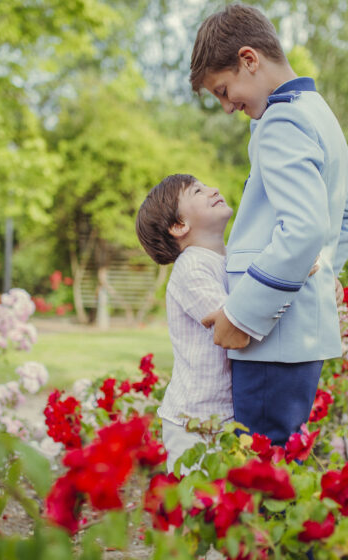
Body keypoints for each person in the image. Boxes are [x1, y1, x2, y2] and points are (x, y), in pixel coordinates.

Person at [191, 3, 348, 447]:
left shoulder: (281, 120)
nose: (227, 107)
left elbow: (305, 230)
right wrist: (323, 268)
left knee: (260, 475)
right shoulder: (318, 112)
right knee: (280, 464)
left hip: (270, 336)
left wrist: (243, 315)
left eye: (222, 89)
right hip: (296, 336)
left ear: (249, 60)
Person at [135, 173, 237, 473]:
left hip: (220, 415)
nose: (213, 189)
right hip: (194, 421)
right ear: (179, 226)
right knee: (196, 505)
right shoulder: (191, 265)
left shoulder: (228, 258)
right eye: (197, 191)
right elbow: (229, 323)